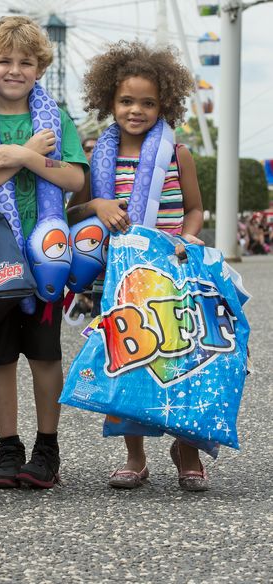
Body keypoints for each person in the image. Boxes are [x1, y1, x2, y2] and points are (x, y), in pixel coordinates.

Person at [67, 40, 210, 492]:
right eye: (126, 101)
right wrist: (99, 202)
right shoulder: (97, 157)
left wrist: (187, 237)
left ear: (164, 104)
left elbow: (195, 209)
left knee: (185, 360)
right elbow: (74, 212)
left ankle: (187, 451)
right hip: (122, 277)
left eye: (148, 102)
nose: (136, 110)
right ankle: (135, 455)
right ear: (108, 101)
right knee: (128, 364)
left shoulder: (178, 154)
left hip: (176, 271)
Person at [0, 15, 88, 489]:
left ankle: (47, 446)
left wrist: (25, 156)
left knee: (44, 355)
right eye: (4, 61)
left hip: (46, 255)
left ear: (40, 68)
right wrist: (20, 157)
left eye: (25, 62)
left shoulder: (55, 119)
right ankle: (7, 446)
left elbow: (76, 180)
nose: (14, 70)